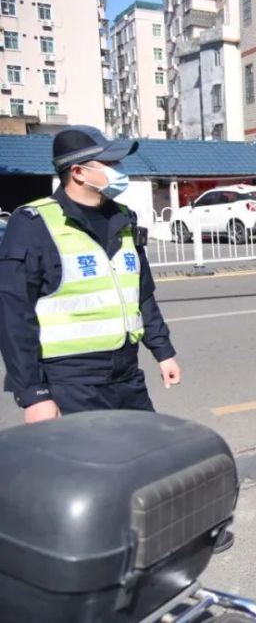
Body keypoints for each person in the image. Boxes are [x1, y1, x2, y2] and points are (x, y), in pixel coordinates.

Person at [0, 126, 181, 424]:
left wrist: (163, 351)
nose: (118, 171)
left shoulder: (123, 217)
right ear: (78, 172)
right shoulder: (33, 223)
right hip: (71, 383)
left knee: (143, 460)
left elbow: (141, 293)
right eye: (109, 164)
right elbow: (14, 315)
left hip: (127, 377)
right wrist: (33, 394)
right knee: (86, 467)